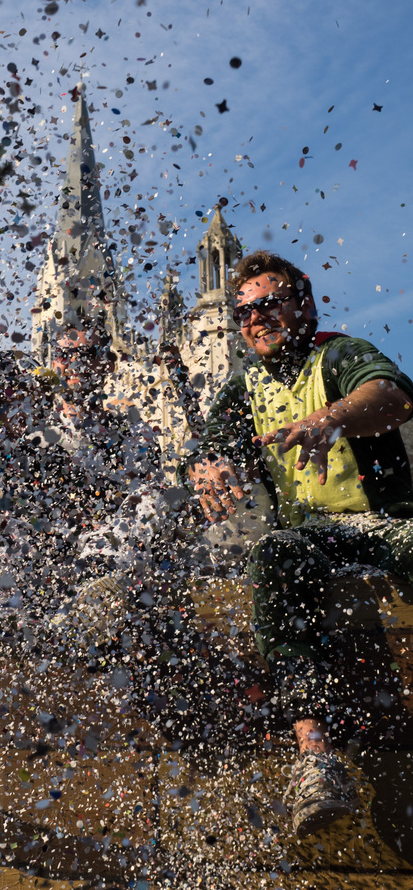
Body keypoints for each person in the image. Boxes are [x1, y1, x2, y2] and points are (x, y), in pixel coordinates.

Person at [187, 250, 413, 837]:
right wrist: (207, 469)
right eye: (244, 313)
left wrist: (327, 419)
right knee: (275, 553)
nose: (256, 319)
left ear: (303, 303)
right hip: (316, 539)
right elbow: (209, 445)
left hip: (388, 522)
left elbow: (392, 398)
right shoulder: (245, 387)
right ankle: (314, 757)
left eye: (269, 303)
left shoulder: (337, 354)